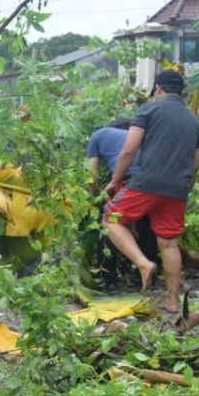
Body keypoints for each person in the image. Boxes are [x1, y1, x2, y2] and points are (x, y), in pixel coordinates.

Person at [103, 70, 199, 313]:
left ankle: (143, 264)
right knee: (169, 243)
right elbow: (196, 164)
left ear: (158, 89)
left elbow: (128, 151)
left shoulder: (148, 110)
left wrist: (115, 181)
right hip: (177, 188)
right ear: (181, 92)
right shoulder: (194, 122)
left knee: (111, 218)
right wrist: (183, 189)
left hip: (147, 183)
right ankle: (172, 300)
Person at [86, 119, 158, 292]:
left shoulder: (98, 136)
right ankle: (146, 280)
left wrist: (96, 196)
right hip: (155, 182)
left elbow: (91, 174)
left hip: (130, 181)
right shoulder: (138, 136)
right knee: (147, 227)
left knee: (109, 223)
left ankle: (108, 281)